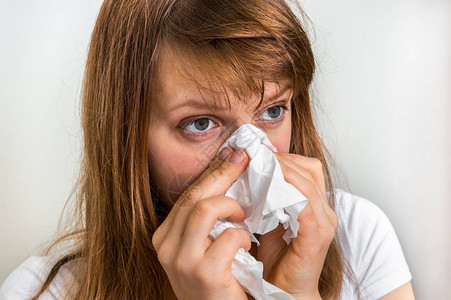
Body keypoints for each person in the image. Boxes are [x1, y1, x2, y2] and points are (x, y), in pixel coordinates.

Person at [0, 0, 415, 299]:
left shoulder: (357, 237)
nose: (253, 157)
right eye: (200, 124)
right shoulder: (42, 292)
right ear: (128, 138)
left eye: (272, 111)